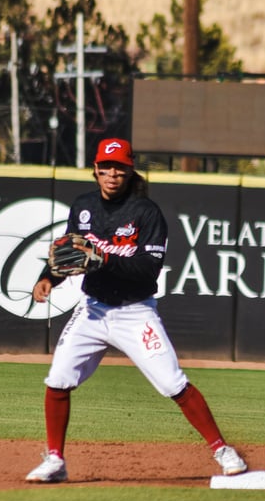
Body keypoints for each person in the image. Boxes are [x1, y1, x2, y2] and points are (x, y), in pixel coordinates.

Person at [25, 137, 248, 483]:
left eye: (119, 168)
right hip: (93, 309)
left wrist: (104, 258)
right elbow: (69, 253)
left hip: (135, 312)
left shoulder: (146, 212)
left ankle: (223, 450)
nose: (112, 174)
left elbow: (148, 269)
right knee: (57, 380)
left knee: (173, 383)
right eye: (106, 167)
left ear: (130, 171)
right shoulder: (83, 206)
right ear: (95, 169)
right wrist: (47, 278)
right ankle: (55, 459)